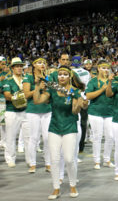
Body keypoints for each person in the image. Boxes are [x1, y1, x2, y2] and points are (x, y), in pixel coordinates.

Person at [33, 65, 87, 199]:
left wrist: (80, 105)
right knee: (55, 159)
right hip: (54, 127)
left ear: (70, 77)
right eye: (60, 74)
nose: (62, 76)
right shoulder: (52, 90)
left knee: (69, 159)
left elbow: (75, 111)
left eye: (64, 74)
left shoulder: (74, 91)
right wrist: (37, 87)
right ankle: (56, 188)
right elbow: (37, 101)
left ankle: (72, 185)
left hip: (69, 127)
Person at [23, 57, 52, 173]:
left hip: (47, 109)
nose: (42, 65)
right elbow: (26, 95)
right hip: (33, 110)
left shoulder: (48, 77)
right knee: (34, 137)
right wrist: (37, 88)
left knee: (47, 138)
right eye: (39, 63)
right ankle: (33, 163)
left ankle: (48, 163)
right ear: (34, 65)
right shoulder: (28, 77)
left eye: (44, 63)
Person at [85, 59, 115, 169]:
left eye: (107, 68)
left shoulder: (113, 81)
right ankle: (97, 161)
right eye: (103, 68)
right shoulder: (93, 81)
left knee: (111, 137)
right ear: (98, 68)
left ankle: (107, 159)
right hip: (95, 112)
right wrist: (102, 89)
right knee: (97, 137)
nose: (105, 70)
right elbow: (88, 96)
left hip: (110, 112)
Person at [2, 57, 30, 168]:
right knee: (10, 136)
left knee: (28, 137)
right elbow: (7, 95)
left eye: (20, 66)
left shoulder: (27, 79)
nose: (19, 68)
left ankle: (30, 159)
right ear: (12, 68)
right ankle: (10, 158)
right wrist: (19, 97)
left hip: (26, 111)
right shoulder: (8, 80)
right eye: (17, 66)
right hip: (12, 111)